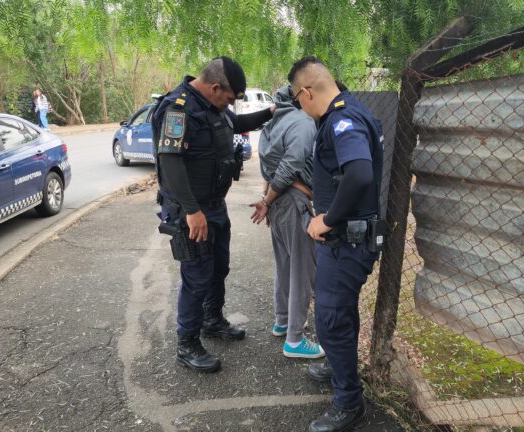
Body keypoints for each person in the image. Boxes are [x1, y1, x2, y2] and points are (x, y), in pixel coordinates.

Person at [151, 57, 275, 374]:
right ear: (215, 87)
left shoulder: (213, 106)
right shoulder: (178, 108)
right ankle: (187, 344)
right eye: (229, 99)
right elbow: (170, 161)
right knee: (197, 277)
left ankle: (212, 320)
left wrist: (272, 112)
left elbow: (239, 123)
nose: (230, 105)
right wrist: (192, 211)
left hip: (215, 206)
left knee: (219, 267)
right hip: (190, 211)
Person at [288, 56, 384, 432]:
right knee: (340, 313)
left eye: (298, 99)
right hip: (349, 240)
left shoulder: (343, 120)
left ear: (306, 92)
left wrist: (327, 220)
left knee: (330, 320)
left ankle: (349, 402)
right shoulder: (349, 112)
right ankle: (338, 365)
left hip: (346, 243)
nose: (300, 106)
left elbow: (359, 174)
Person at [249, 85, 323, 359]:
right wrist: (267, 201)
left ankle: (282, 321)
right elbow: (290, 165)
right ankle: (294, 339)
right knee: (303, 269)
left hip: (277, 201)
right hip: (292, 202)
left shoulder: (270, 126)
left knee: (285, 265)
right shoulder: (303, 122)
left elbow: (267, 169)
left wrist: (267, 199)